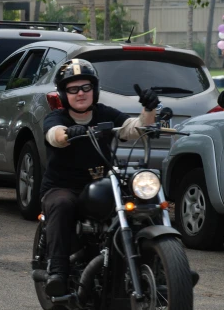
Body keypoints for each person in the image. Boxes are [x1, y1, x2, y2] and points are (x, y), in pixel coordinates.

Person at [40, 59, 158, 297]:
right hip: (64, 187)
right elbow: (53, 135)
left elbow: (132, 128)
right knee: (62, 204)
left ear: (94, 90)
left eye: (86, 87)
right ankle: (58, 271)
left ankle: (163, 267)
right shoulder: (58, 118)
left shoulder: (104, 113)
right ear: (64, 94)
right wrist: (67, 134)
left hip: (102, 184)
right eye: (73, 89)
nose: (81, 93)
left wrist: (148, 109)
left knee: (141, 203)